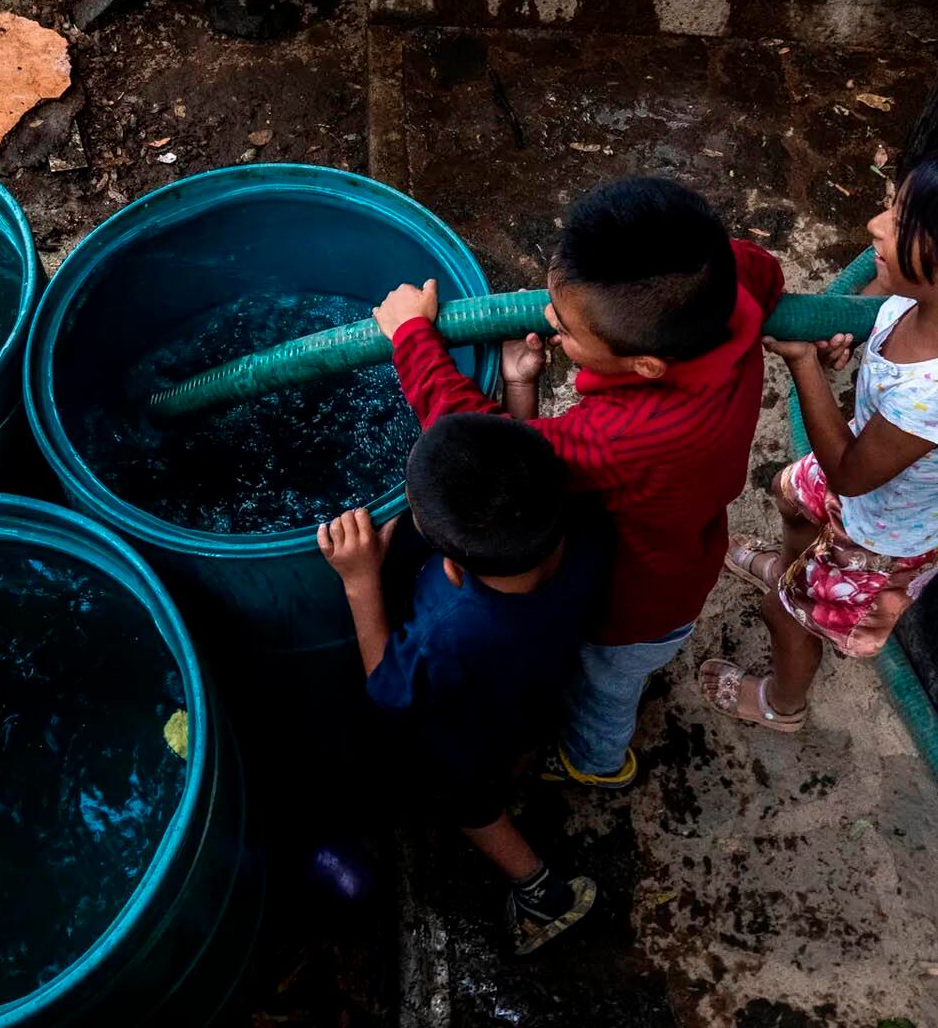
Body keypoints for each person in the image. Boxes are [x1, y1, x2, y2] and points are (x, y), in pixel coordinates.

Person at [372, 178, 784, 788]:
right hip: (688, 541)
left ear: (645, 367)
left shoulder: (630, 434)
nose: (547, 322)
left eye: (564, 327)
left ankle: (594, 763)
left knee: (605, 689)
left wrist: (413, 339)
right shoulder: (727, 280)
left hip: (637, 606)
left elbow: (489, 452)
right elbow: (766, 271)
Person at [701, 138, 938, 731]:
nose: (874, 226)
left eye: (899, 223)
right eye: (889, 205)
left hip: (882, 529)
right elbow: (875, 307)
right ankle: (793, 571)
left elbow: (848, 472)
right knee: (790, 495)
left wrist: (803, 364)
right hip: (872, 472)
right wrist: (845, 331)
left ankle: (781, 703)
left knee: (785, 618)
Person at [318, 413, 610, 955]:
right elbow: (517, 487)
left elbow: (388, 690)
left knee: (467, 804)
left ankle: (541, 890)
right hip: (533, 688)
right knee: (516, 741)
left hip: (463, 742)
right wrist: (521, 390)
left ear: (450, 561)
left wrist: (360, 583)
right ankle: (520, 770)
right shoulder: (584, 528)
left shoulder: (446, 628)